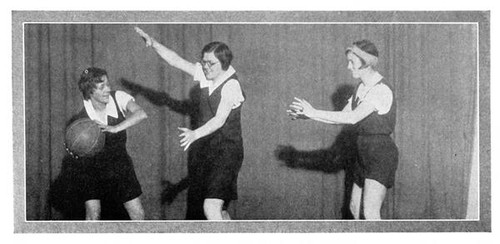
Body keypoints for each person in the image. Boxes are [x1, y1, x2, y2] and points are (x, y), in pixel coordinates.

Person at [134, 27, 245, 220]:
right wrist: (154, 43)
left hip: (227, 152)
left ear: (224, 63)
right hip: (210, 151)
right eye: (204, 62)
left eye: (211, 63)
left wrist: (194, 134)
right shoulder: (207, 74)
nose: (206, 67)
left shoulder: (231, 86)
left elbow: (219, 120)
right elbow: (176, 61)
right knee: (221, 211)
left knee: (210, 208)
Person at [287, 40, 398, 220]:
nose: (348, 66)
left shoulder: (381, 90)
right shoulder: (361, 88)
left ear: (366, 63)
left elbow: (353, 117)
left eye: (351, 62)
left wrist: (313, 112)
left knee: (370, 212)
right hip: (363, 151)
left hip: (380, 153)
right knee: (354, 208)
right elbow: (342, 117)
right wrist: (310, 115)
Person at [64, 67, 148, 220]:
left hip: (120, 165)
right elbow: (73, 145)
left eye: (108, 84)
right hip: (91, 168)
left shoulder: (118, 97)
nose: (108, 89)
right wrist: (74, 149)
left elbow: (141, 114)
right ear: (90, 91)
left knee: (138, 214)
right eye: (102, 87)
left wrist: (116, 128)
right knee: (92, 215)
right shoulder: (81, 118)